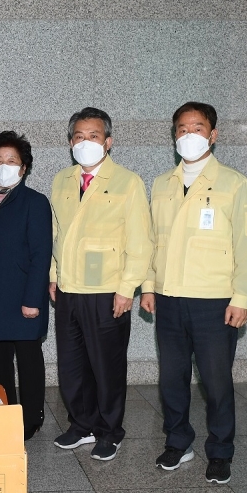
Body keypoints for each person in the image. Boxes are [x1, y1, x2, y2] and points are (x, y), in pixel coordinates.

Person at [140, 101, 247, 485]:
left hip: (214, 301)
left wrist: (242, 296)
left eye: (198, 127)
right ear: (174, 135)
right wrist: (148, 286)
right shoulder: (162, 184)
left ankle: (221, 451)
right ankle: (178, 442)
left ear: (213, 134)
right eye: (182, 129)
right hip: (170, 298)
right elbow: (153, 241)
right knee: (171, 379)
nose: (189, 135)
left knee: (216, 381)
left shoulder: (233, 183)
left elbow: (245, 244)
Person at [50, 107, 153, 461]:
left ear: (108, 142)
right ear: (70, 143)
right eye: (79, 136)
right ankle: (82, 424)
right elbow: (57, 234)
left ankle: (110, 431)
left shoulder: (127, 182)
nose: (86, 142)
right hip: (69, 289)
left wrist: (127, 288)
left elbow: (140, 241)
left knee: (106, 367)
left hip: (107, 291)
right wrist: (53, 275)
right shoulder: (62, 180)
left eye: (93, 136)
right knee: (72, 365)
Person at [0, 131, 51, 440]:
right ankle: (5, 412)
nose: (3, 166)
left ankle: (31, 418)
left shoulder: (34, 202)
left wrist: (33, 300)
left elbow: (41, 254)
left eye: (11, 161)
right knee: (1, 362)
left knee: (28, 359)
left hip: (21, 298)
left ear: (24, 168)